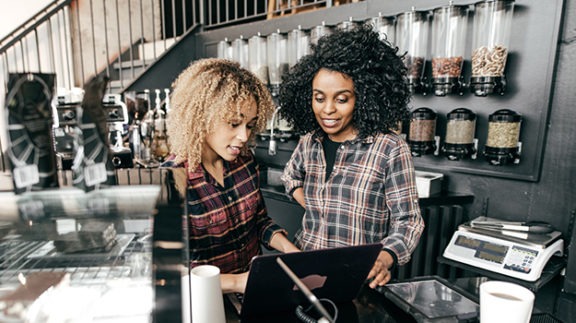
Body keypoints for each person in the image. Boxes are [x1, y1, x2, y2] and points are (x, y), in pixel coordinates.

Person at [279, 24, 425, 289]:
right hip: (307, 269)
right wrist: (315, 203)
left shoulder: (389, 148)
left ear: (364, 97)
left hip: (358, 277)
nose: (328, 110)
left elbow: (409, 220)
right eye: (319, 98)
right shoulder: (309, 141)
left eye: (342, 99)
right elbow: (290, 177)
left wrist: (385, 257)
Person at [164, 58, 300, 294]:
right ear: (201, 117)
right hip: (206, 306)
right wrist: (239, 282)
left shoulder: (244, 163)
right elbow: (171, 275)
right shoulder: (172, 181)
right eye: (234, 123)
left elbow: (259, 221)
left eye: (249, 125)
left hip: (252, 297)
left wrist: (293, 253)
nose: (244, 136)